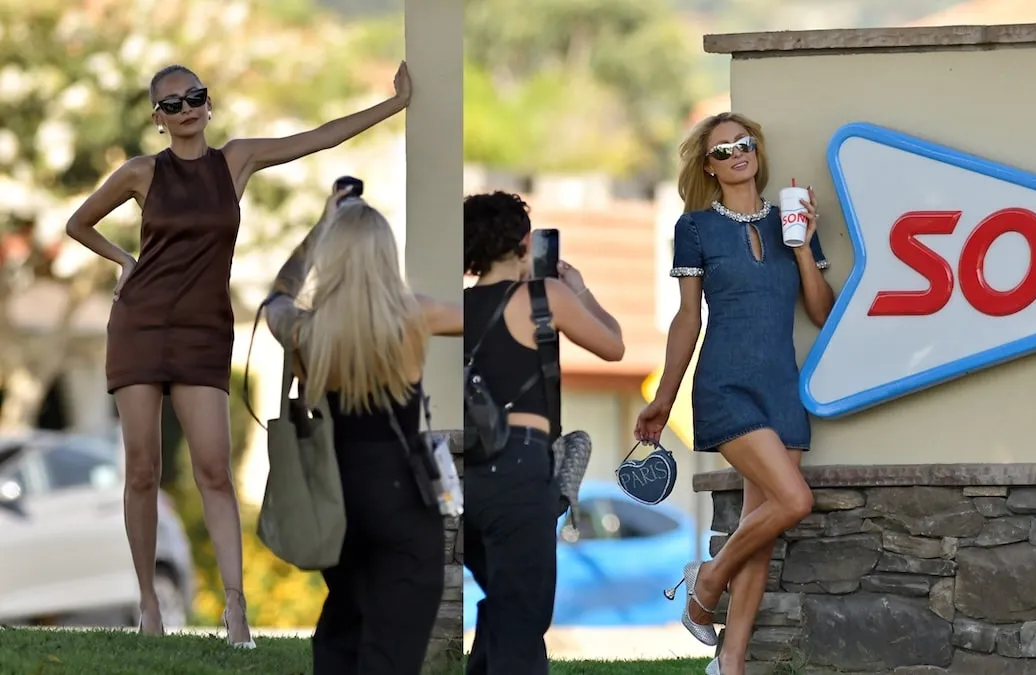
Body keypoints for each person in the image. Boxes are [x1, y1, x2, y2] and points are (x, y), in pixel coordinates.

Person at [63, 60, 414, 646]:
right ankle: (148, 604)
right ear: (157, 118)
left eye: (194, 96)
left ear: (208, 101)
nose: (186, 109)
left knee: (214, 472)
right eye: (171, 104)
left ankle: (236, 610)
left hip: (204, 330)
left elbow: (317, 137)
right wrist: (124, 261)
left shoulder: (237, 160)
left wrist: (393, 106)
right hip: (140, 325)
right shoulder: (140, 173)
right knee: (144, 468)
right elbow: (79, 223)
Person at [635, 112, 836, 675]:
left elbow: (822, 312)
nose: (736, 154)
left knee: (763, 527)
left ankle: (731, 665)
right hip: (725, 383)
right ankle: (708, 580)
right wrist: (665, 397)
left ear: (758, 153)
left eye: (744, 145)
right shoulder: (694, 228)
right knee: (793, 501)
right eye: (723, 150)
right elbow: (686, 319)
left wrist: (800, 245)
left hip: (782, 387)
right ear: (709, 166)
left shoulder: (792, 219)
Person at [261, 185, 462, 674]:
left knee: (343, 637)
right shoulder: (414, 315)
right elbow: (495, 316)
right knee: (390, 652)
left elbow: (275, 298)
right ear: (384, 256)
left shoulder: (305, 331)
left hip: (339, 502)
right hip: (403, 503)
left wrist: (319, 229)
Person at [462, 191, 624, 675]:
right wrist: (577, 289)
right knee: (523, 614)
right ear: (525, 243)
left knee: (505, 607)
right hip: (519, 466)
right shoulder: (542, 297)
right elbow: (613, 346)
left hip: (465, 470)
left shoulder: (457, 307)